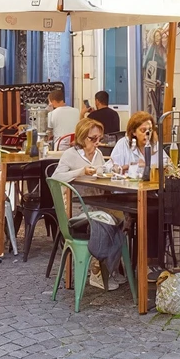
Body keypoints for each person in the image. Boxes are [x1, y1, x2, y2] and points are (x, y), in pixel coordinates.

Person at [49, 118, 126, 290]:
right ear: (82, 137)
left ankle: (109, 268)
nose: (97, 143)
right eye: (93, 139)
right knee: (105, 221)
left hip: (96, 204)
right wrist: (80, 171)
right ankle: (97, 271)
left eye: (99, 138)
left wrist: (109, 170)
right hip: (77, 208)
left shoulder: (98, 154)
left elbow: (100, 172)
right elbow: (55, 177)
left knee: (122, 219)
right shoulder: (70, 154)